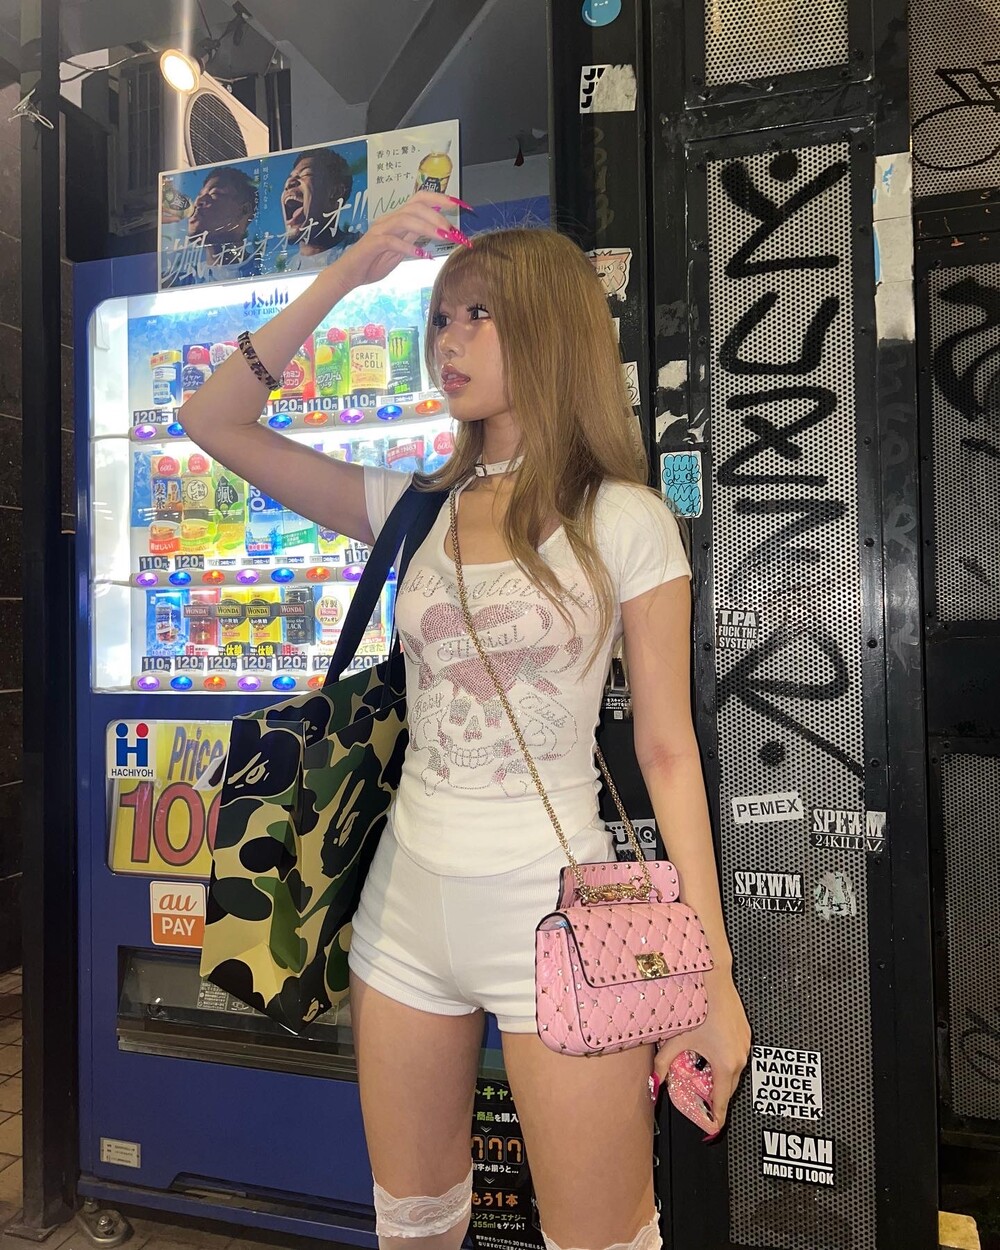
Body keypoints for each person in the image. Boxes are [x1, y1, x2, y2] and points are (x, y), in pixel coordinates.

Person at [180, 191, 751, 1250]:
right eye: (440, 316)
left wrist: (709, 976)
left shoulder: (624, 518)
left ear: (549, 325)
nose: (447, 339)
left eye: (478, 314)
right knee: (413, 1225)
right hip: (402, 912)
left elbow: (667, 749)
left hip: (562, 919)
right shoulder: (413, 508)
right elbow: (211, 421)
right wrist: (350, 270)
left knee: (604, 1236)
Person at [163, 166, 262, 287]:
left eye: (214, 193)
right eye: (200, 195)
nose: (197, 202)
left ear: (244, 210)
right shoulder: (173, 283)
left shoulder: (267, 272)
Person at [278, 148, 359, 271]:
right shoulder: (286, 270)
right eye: (291, 177)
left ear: (335, 192)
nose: (289, 183)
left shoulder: (362, 249)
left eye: (306, 174)